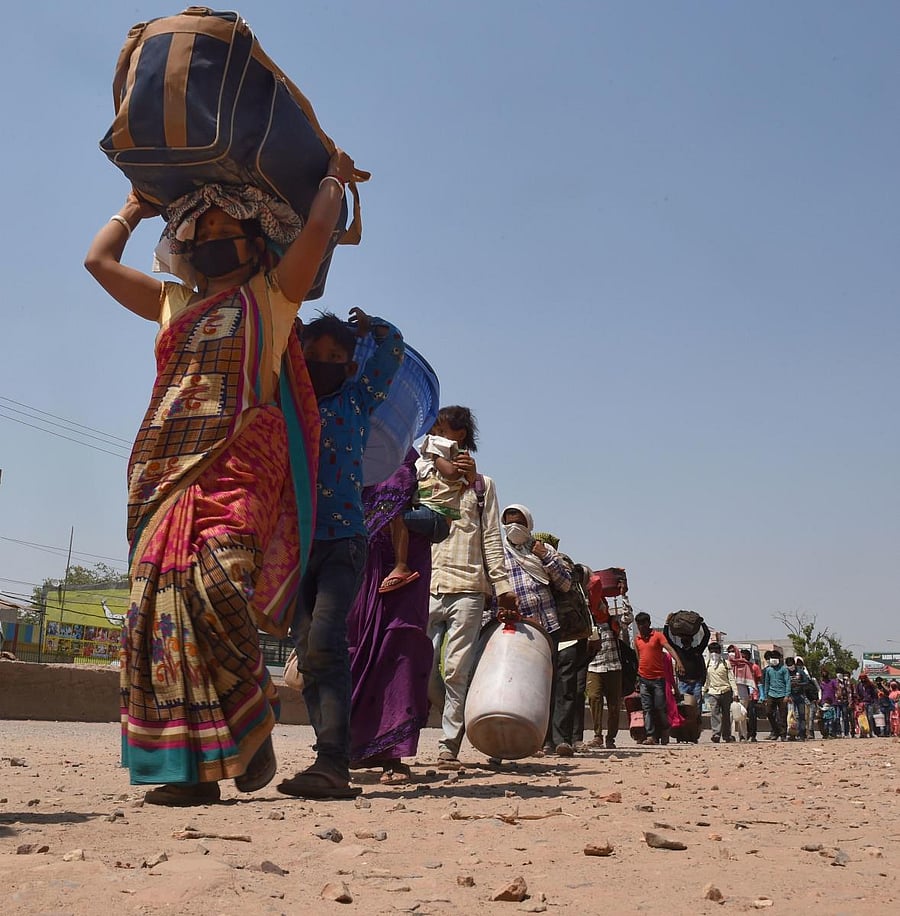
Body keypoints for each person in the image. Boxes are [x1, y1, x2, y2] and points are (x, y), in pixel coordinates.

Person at [85, 152, 354, 805]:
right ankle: (191, 773)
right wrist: (133, 208)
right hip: (163, 473)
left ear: (255, 241)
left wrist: (334, 178)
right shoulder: (172, 302)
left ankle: (248, 721)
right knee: (157, 609)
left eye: (224, 230)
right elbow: (97, 262)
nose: (211, 241)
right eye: (200, 233)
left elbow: (319, 230)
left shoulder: (272, 297)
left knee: (219, 586)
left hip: (241, 464)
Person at [277, 308, 405, 799]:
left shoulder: (356, 399)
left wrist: (374, 327)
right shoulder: (288, 401)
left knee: (327, 641)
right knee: (309, 650)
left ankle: (333, 762)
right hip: (295, 545)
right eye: (313, 355)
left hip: (343, 541)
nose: (322, 363)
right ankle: (327, 755)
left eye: (334, 357)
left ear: (350, 367)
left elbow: (391, 352)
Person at [427, 406, 516, 768]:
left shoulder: (483, 486)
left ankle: (448, 745)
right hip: (426, 584)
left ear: (459, 435)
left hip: (468, 586)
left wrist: (503, 585)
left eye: (440, 430)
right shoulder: (421, 475)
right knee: (419, 663)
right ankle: (409, 735)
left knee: (457, 670)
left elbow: (491, 537)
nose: (434, 436)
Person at [346, 449, 434, 783]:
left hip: (403, 574)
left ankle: (392, 753)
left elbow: (402, 508)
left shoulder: (405, 463)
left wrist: (400, 562)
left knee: (399, 651)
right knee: (359, 651)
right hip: (363, 566)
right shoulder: (354, 457)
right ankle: (357, 747)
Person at [498, 505, 573, 755]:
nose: (514, 528)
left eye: (519, 523)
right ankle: (525, 738)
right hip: (515, 628)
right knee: (518, 682)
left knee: (550, 683)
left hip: (548, 625)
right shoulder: (499, 553)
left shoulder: (544, 550)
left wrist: (545, 557)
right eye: (508, 523)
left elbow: (565, 584)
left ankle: (555, 739)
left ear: (529, 524)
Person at [378, 421, 466, 594]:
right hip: (429, 518)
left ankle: (401, 566)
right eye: (430, 433)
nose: (432, 438)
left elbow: (454, 474)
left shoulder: (453, 458)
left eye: (440, 433)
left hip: (436, 518)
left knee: (398, 517)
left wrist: (436, 455)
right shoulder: (424, 462)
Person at [585, 575, 631, 749]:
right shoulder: (588, 623)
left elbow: (628, 618)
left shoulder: (613, 623)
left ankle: (611, 738)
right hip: (594, 667)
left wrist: (623, 595)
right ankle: (597, 735)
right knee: (594, 698)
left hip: (614, 667)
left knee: (614, 705)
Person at [634, 612, 672, 745]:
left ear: (649, 624)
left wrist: (678, 662)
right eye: (639, 624)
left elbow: (669, 649)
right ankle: (651, 735)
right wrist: (637, 676)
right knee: (647, 709)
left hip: (658, 679)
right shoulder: (637, 639)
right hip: (643, 679)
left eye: (643, 624)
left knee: (660, 707)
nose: (641, 627)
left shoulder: (658, 636)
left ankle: (665, 729)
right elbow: (638, 658)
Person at [662, 613, 711, 709]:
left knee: (696, 707)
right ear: (681, 641)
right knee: (683, 706)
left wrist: (702, 622)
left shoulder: (697, 650)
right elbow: (666, 637)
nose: (685, 640)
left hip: (696, 683)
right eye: (684, 639)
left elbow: (707, 636)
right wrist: (667, 623)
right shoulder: (678, 651)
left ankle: (697, 718)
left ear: (691, 640)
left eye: (687, 638)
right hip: (683, 683)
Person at [704, 642, 738, 743]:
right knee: (714, 713)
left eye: (716, 651)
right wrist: (703, 690)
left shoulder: (726, 663)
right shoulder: (707, 663)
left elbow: (731, 678)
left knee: (726, 714)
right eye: (712, 651)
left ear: (720, 652)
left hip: (726, 691)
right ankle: (716, 734)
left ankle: (727, 735)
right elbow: (706, 679)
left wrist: (735, 693)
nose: (714, 653)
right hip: (713, 692)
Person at [762, 650, 791, 741]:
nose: (773, 659)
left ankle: (783, 735)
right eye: (772, 658)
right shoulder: (768, 670)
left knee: (783, 715)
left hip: (782, 695)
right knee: (768, 712)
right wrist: (765, 696)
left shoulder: (784, 669)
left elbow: (788, 682)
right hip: (771, 694)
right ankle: (776, 730)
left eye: (775, 658)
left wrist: (787, 695)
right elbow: (766, 683)